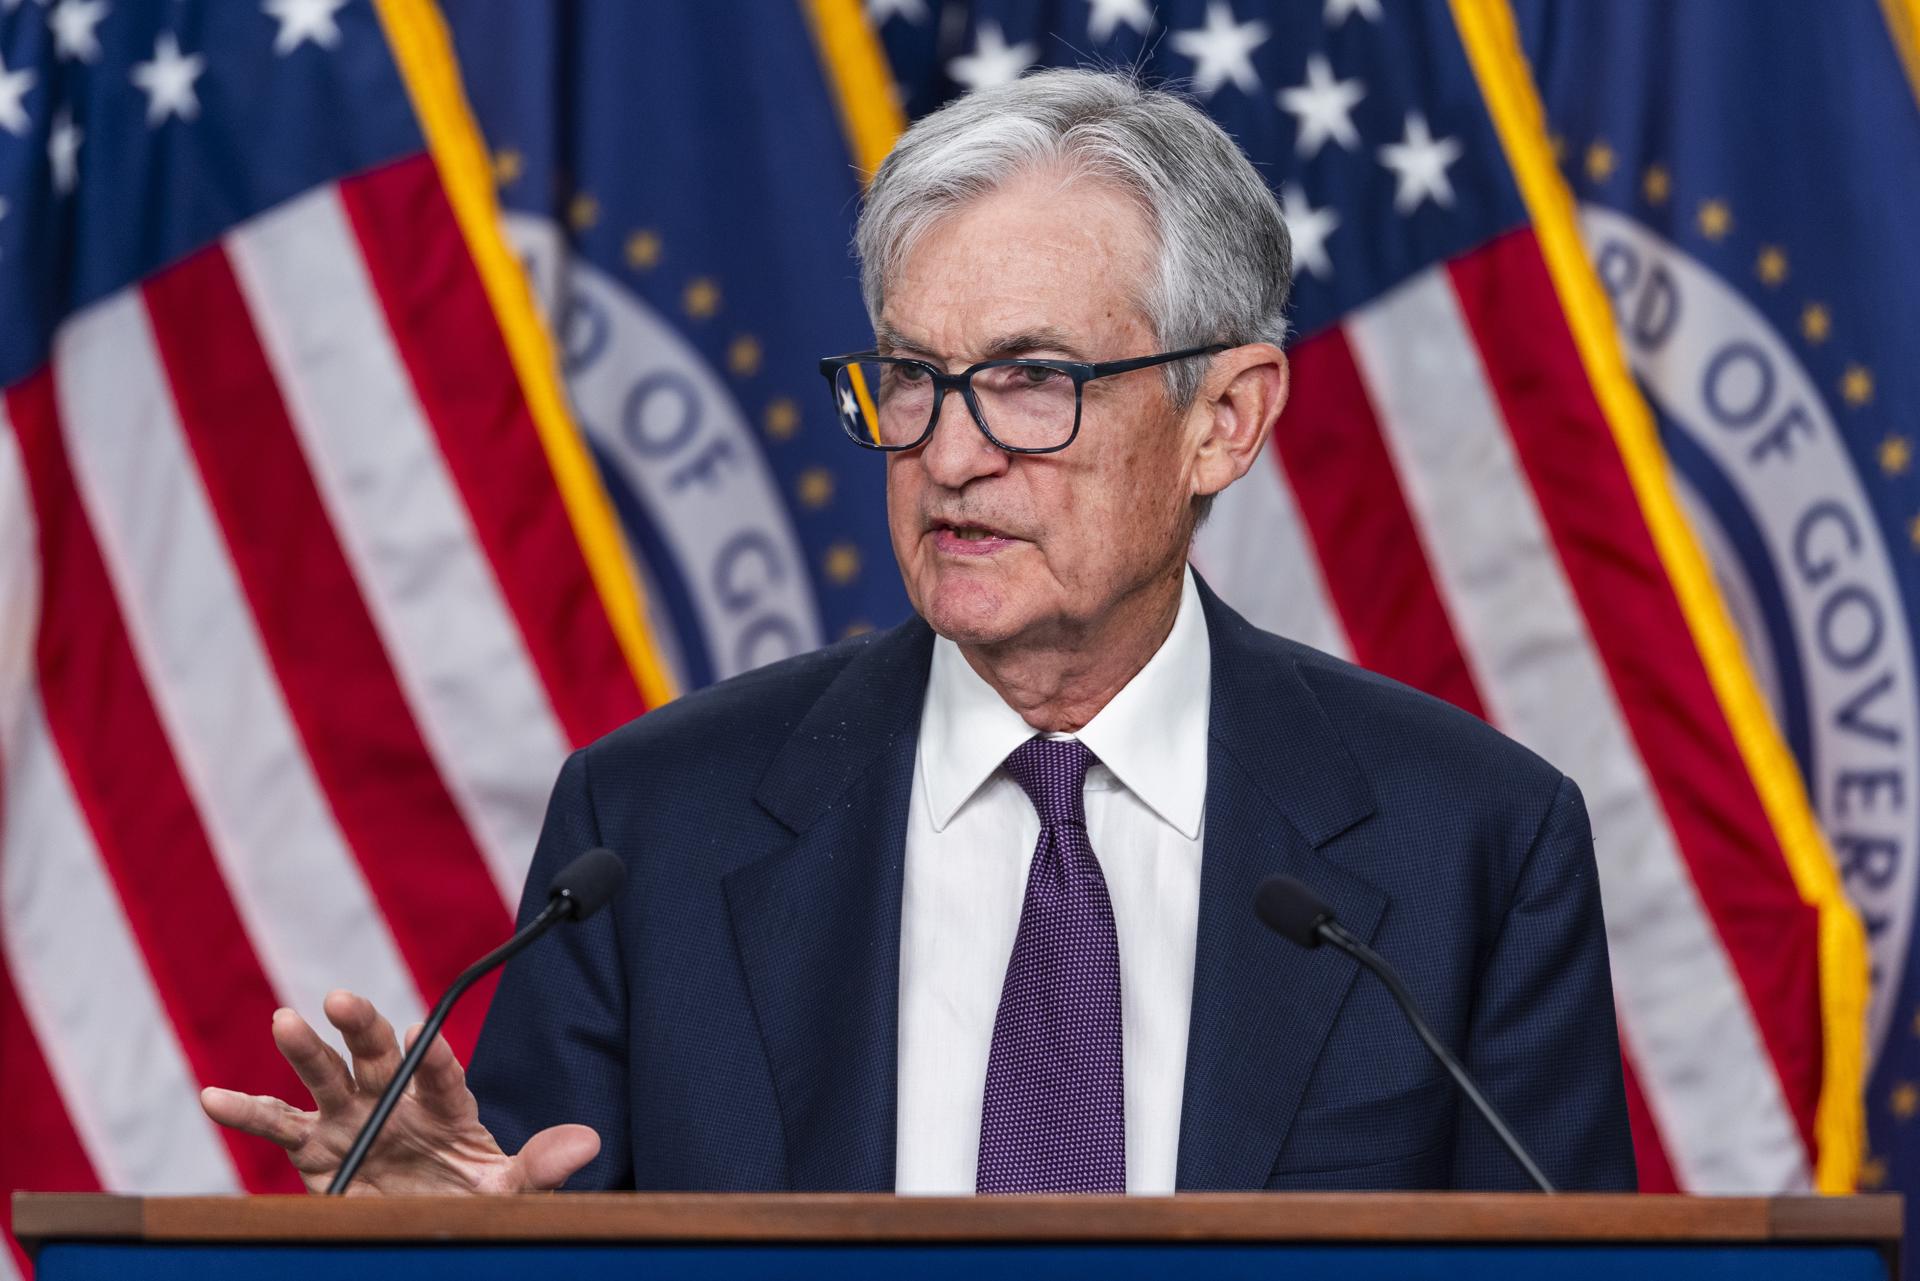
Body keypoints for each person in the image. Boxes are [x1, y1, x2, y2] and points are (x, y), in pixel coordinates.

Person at [201, 68, 1636, 1196]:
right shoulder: (646, 831)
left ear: (1225, 418)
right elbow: (536, 1221)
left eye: (1029, 381)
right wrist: (448, 1259)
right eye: (910, 379)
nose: (947, 454)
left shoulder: (1475, 849)